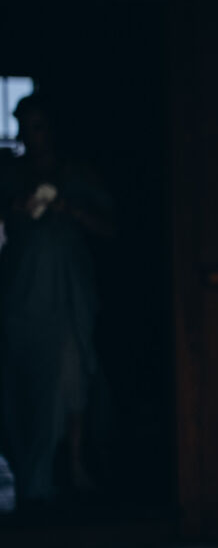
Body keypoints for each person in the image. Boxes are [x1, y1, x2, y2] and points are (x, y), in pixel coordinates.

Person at [0, 92, 115, 504]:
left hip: (67, 291)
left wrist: (70, 210)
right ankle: (32, 466)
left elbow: (111, 226)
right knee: (25, 377)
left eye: (37, 127)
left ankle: (75, 462)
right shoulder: (12, 175)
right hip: (23, 294)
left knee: (71, 371)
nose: (29, 136)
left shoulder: (76, 174)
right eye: (24, 127)